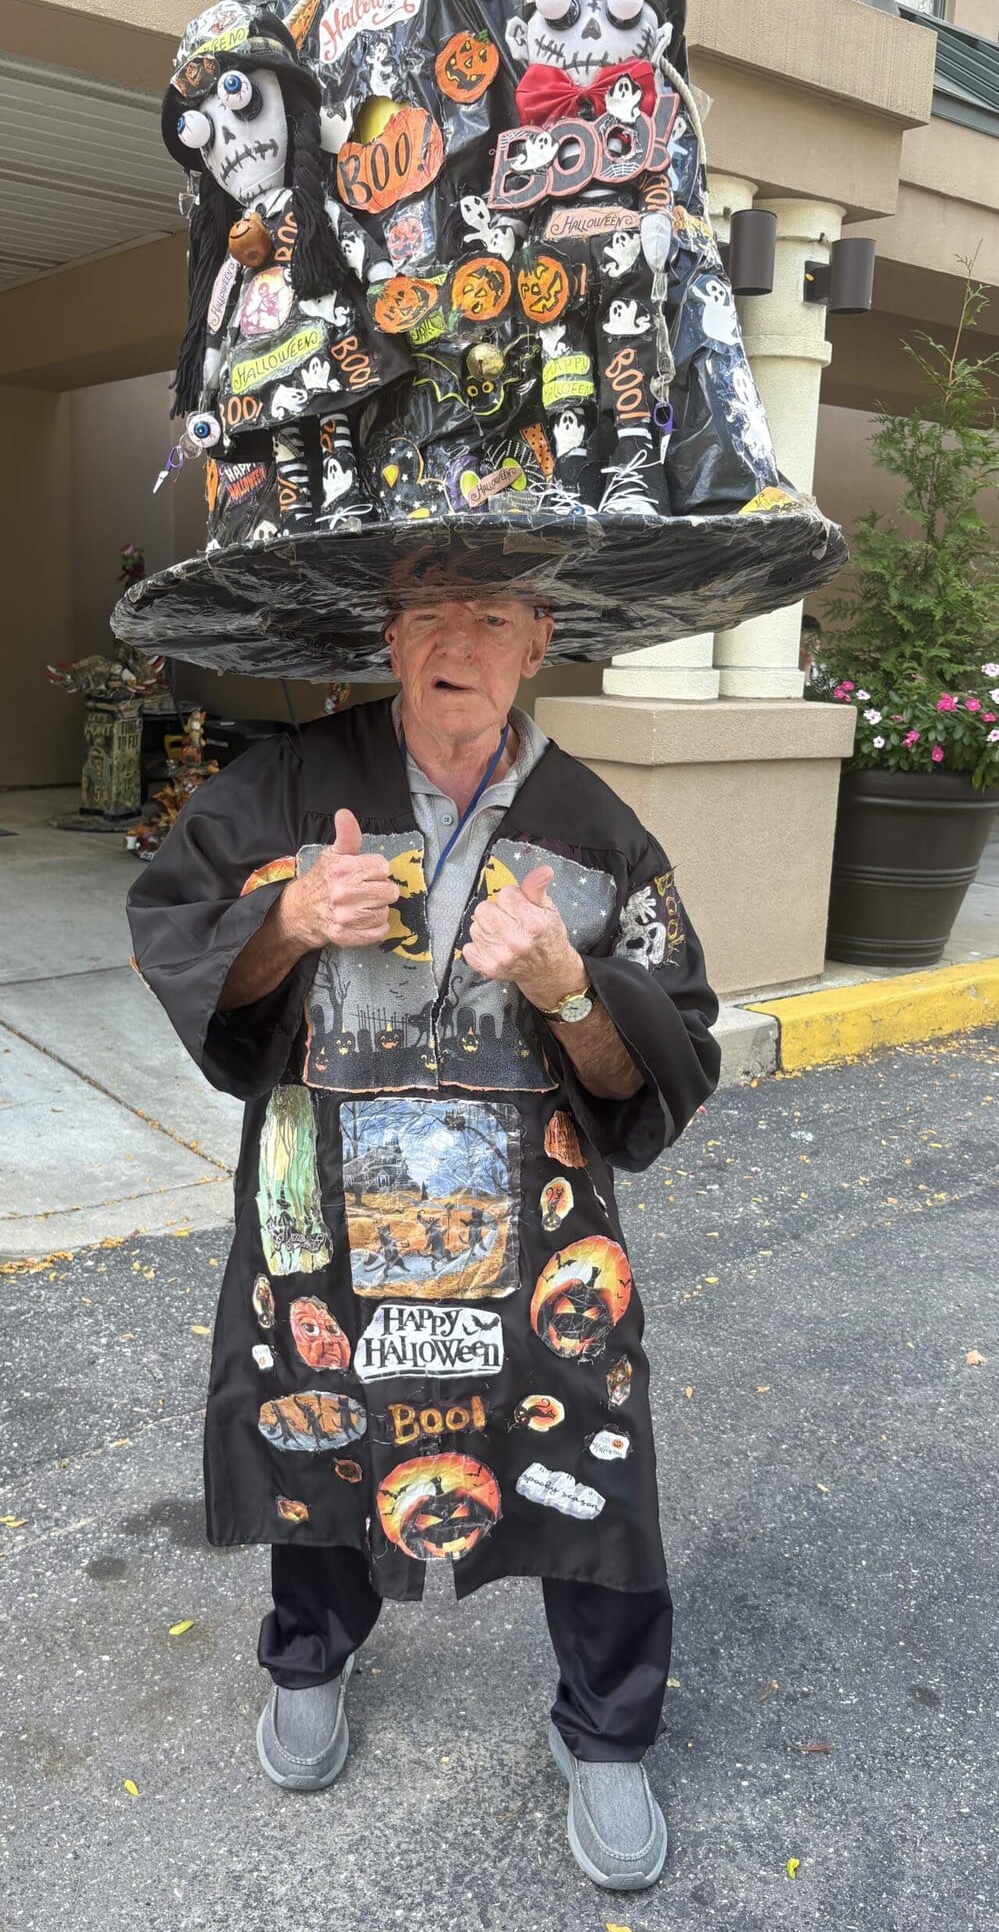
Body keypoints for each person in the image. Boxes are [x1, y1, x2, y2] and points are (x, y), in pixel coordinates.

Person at [127, 596, 719, 1892]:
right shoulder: (283, 788)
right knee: (321, 1416)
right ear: (389, 639)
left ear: (537, 640)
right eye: (429, 612)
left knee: (596, 1455)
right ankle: (310, 1651)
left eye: (491, 614)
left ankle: (609, 1728)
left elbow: (667, 1051)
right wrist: (285, 923)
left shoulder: (600, 834)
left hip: (535, 1233)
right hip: (328, 1214)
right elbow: (177, 928)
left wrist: (569, 986)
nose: (458, 640)